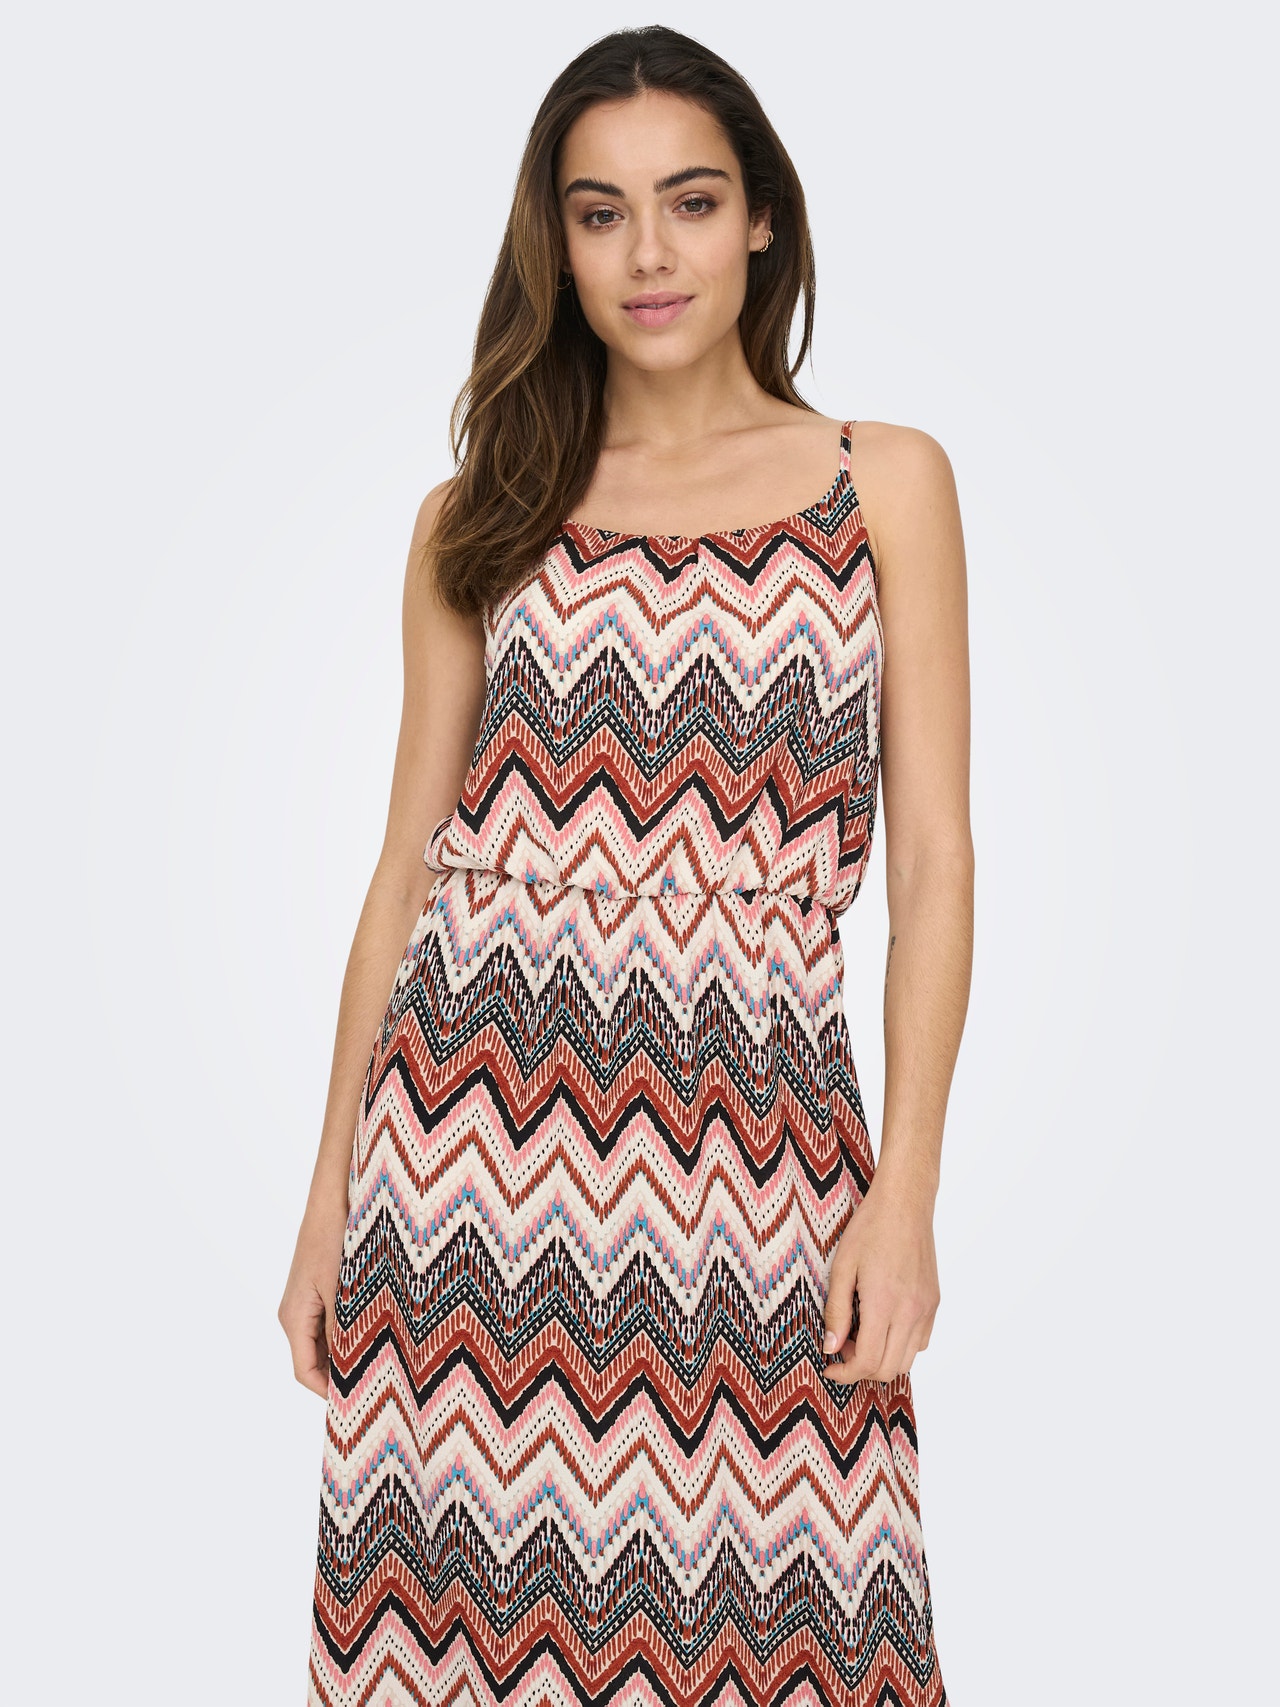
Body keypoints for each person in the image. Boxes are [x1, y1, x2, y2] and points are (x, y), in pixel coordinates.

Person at [280, 24, 971, 1707]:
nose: (648, 253)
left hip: (762, 1150)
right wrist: (325, 1203)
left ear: (762, 220)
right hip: (469, 1157)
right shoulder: (482, 510)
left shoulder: (880, 480)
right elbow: (404, 872)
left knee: (800, 1612)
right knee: (467, 1638)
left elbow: (938, 867)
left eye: (691, 201)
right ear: (557, 242)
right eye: (601, 214)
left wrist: (906, 1197)